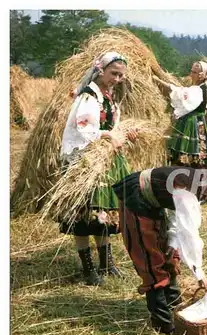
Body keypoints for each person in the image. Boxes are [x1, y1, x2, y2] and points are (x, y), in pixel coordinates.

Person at [112, 157, 207, 334]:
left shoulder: (198, 184)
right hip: (137, 198)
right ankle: (163, 324)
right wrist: (199, 272)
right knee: (150, 260)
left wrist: (173, 244)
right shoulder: (189, 188)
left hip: (154, 202)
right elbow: (189, 232)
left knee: (167, 254)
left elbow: (178, 219)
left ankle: (175, 306)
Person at [60, 52, 138, 286]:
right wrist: (108, 135)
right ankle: (88, 269)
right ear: (101, 70)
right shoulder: (88, 96)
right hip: (85, 160)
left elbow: (110, 125)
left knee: (102, 214)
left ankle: (107, 264)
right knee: (84, 216)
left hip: (104, 159)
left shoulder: (109, 96)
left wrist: (123, 133)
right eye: (113, 73)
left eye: (120, 76)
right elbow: (83, 128)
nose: (116, 79)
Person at [167, 61, 207, 168]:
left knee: (191, 153)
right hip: (197, 121)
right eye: (191, 71)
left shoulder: (200, 89)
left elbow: (184, 96)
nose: (191, 74)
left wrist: (170, 87)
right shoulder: (199, 87)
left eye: (194, 72)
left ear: (201, 75)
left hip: (192, 122)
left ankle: (188, 176)